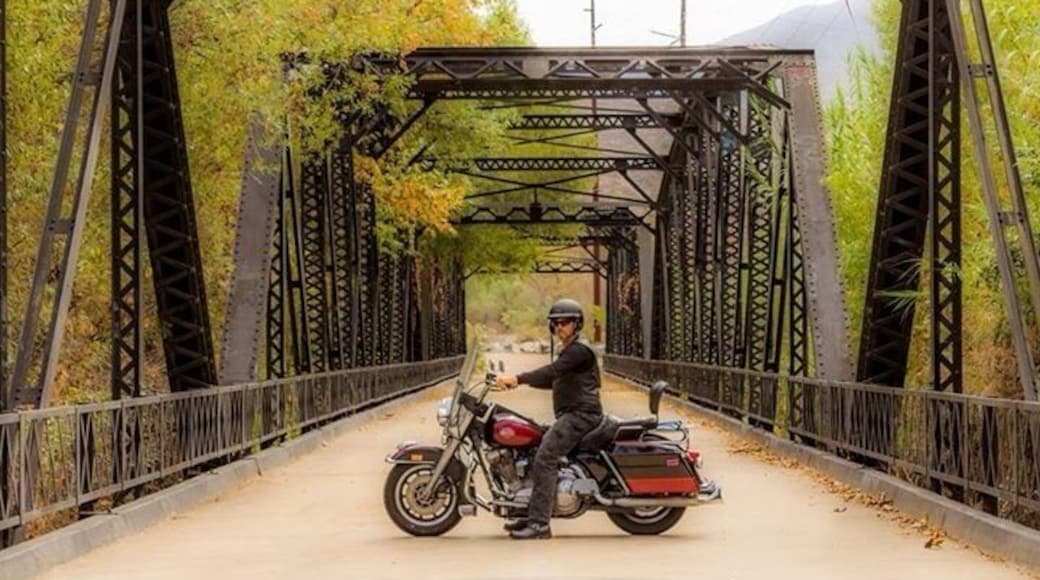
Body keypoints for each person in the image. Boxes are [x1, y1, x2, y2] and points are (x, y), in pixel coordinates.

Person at [495, 298, 603, 540]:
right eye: (555, 323)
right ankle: (527, 514)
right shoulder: (571, 350)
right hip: (573, 414)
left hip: (581, 415)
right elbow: (553, 379)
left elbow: (553, 371)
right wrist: (516, 384)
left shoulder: (579, 350)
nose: (559, 327)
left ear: (577, 324)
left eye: (565, 322)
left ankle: (540, 525)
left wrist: (518, 378)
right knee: (534, 446)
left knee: (546, 456)